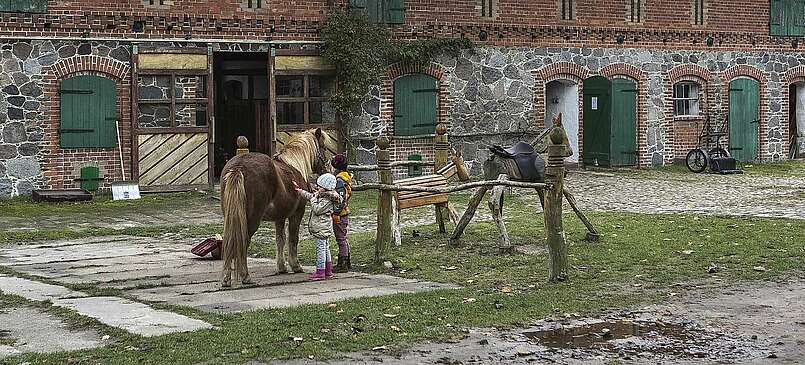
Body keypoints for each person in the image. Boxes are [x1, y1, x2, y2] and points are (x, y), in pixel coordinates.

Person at [294, 173, 342, 281]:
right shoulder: (323, 196)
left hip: (322, 227)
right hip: (322, 227)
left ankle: (320, 271)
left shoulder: (327, 200)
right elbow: (311, 196)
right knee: (325, 248)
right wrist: (300, 191)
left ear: (325, 188)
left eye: (319, 186)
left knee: (321, 249)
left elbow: (317, 209)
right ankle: (328, 271)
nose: (317, 188)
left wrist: (313, 199)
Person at [330, 154, 353, 273]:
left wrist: (336, 213)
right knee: (343, 238)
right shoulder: (346, 177)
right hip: (344, 212)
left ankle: (342, 264)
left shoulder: (339, 180)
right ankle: (347, 261)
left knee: (340, 239)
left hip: (340, 214)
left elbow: (341, 198)